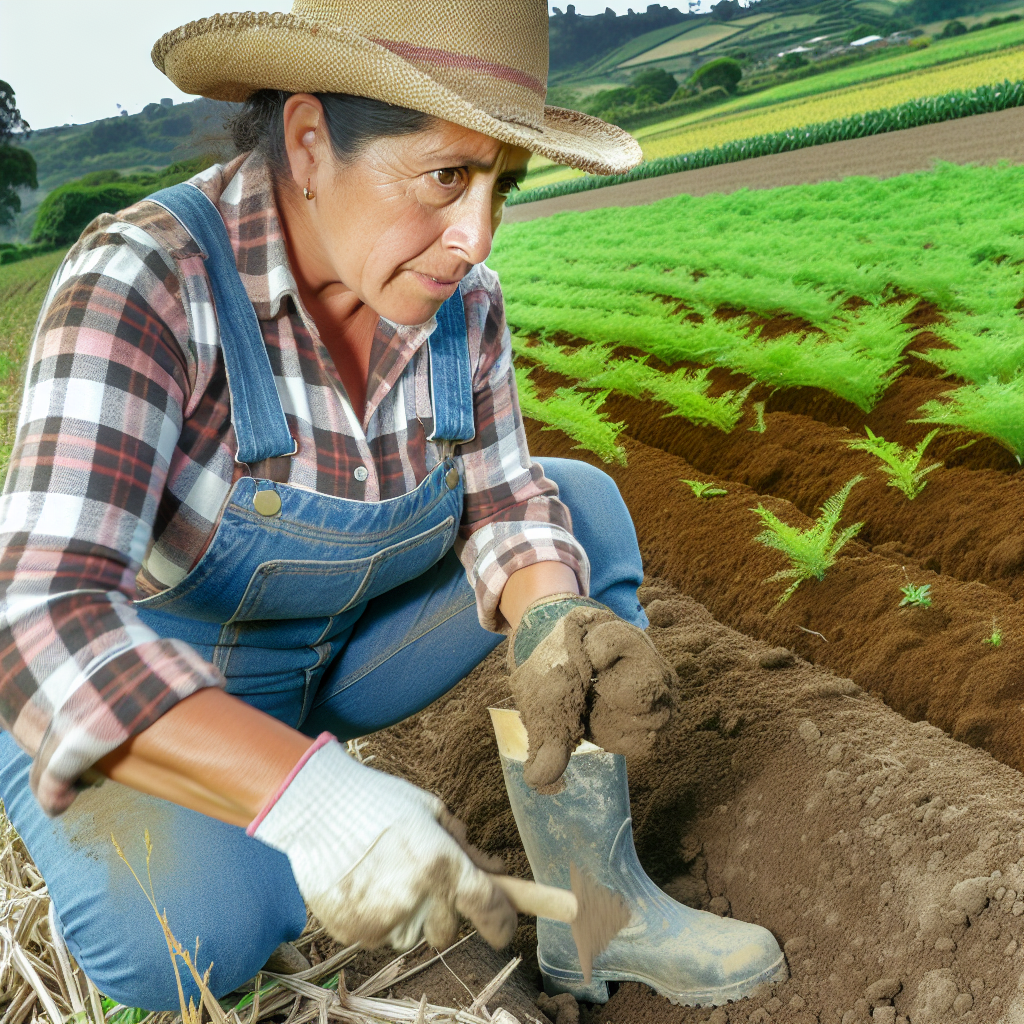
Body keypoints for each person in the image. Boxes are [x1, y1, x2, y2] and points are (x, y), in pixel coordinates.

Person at [0, 0, 784, 1010]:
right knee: (189, 934)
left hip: (335, 654)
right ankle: (169, 861)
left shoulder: (463, 299)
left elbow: (503, 497)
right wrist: (310, 796)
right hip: (152, 699)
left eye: (501, 181)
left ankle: (599, 912)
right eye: (446, 176)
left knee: (574, 512)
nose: (476, 233)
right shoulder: (146, 282)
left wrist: (550, 615)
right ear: (310, 141)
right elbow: (37, 619)